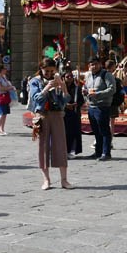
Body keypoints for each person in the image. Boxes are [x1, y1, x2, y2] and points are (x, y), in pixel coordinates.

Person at [28, 58, 71, 190]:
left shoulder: (58, 80)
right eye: (46, 71)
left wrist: (63, 88)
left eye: (52, 71)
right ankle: (46, 180)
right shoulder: (35, 81)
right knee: (43, 147)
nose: (49, 73)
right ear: (41, 69)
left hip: (57, 114)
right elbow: (36, 98)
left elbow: (66, 100)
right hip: (43, 115)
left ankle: (64, 180)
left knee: (61, 146)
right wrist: (47, 88)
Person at [81, 58, 115, 162]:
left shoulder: (106, 75)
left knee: (104, 130)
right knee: (96, 130)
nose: (94, 66)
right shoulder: (89, 76)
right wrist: (85, 92)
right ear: (89, 66)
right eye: (92, 65)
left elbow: (112, 89)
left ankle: (106, 152)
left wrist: (98, 94)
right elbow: (86, 87)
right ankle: (98, 152)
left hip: (103, 106)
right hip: (92, 106)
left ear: (100, 64)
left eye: (96, 64)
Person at [63, 70, 84, 158]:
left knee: (73, 133)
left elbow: (81, 100)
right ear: (63, 78)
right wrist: (65, 105)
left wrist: (76, 104)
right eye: (67, 77)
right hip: (63, 114)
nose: (70, 78)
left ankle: (70, 150)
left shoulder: (76, 88)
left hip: (74, 113)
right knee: (64, 133)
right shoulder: (60, 88)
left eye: (71, 76)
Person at [0, 64, 15, 135]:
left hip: (5, 95)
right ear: (1, 70)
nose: (6, 70)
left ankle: (2, 129)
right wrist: (9, 88)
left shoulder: (3, 76)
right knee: (1, 113)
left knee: (5, 114)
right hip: (0, 96)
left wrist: (10, 87)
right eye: (5, 69)